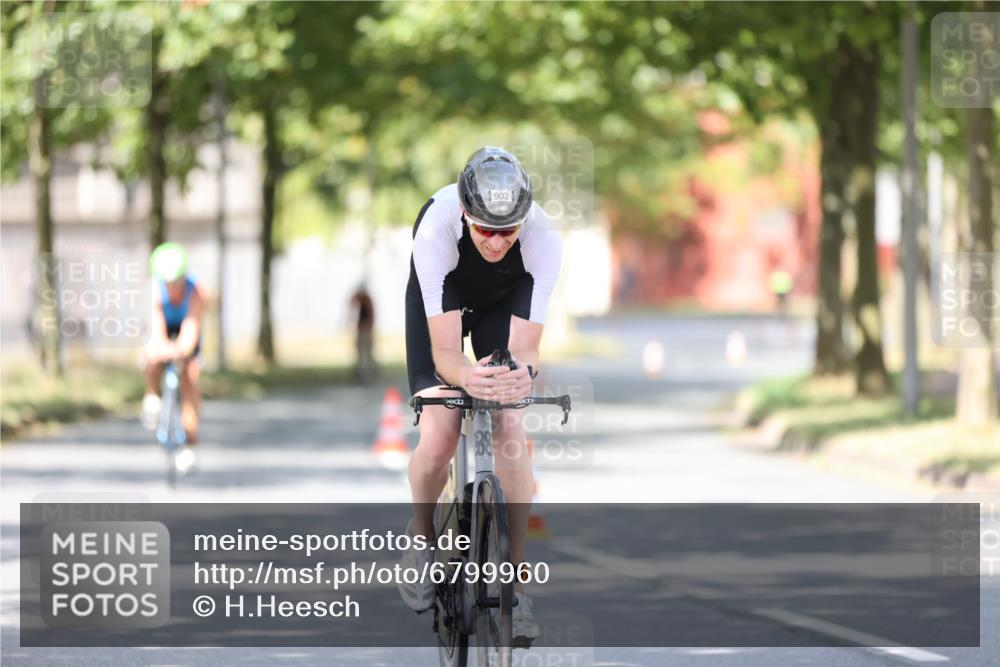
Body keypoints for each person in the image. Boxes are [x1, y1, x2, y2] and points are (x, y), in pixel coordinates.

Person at [397, 147, 562, 643]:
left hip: (504, 302)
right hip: (442, 299)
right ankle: (423, 541)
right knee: (440, 434)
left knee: (510, 423)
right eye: (485, 229)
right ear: (465, 214)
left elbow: (527, 350)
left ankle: (514, 586)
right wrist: (468, 379)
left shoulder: (544, 240)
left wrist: (518, 377)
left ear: (524, 220)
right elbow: (447, 354)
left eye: (507, 231)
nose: (495, 241)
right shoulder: (436, 228)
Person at [141, 242, 205, 473]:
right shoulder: (153, 290)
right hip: (162, 327)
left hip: (185, 326)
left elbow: (191, 330)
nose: (173, 286)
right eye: (168, 282)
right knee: (152, 357)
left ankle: (189, 441)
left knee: (191, 376)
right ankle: (151, 395)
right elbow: (156, 331)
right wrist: (161, 347)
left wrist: (183, 349)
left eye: (177, 280)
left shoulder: (195, 292)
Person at [350, 284, 376, 383]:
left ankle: (366, 376)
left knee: (365, 355)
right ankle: (365, 374)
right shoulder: (364, 300)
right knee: (363, 354)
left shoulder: (367, 300)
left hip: (365, 331)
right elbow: (352, 300)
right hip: (363, 331)